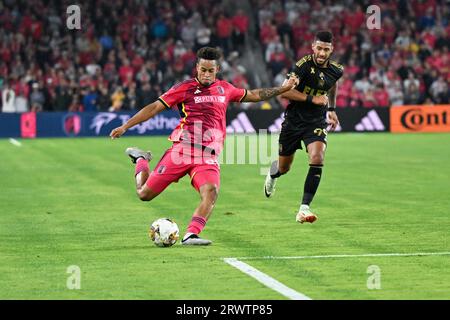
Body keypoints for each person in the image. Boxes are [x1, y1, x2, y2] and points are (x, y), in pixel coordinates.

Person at [110, 47, 298, 245]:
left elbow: (255, 94)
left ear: (217, 70)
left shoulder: (225, 88)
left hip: (208, 155)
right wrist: (125, 126)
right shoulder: (184, 88)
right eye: (203, 70)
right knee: (144, 194)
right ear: (196, 68)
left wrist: (283, 89)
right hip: (182, 150)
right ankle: (141, 160)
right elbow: (155, 107)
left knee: (211, 191)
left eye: (210, 70)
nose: (206, 74)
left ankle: (191, 234)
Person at [263, 30, 344, 224]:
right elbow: (284, 92)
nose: (322, 53)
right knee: (284, 167)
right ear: (313, 47)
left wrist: (331, 108)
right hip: (293, 121)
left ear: (331, 49)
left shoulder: (336, 69)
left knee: (317, 157)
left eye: (326, 49)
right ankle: (273, 174)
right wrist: (312, 98)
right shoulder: (302, 66)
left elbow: (332, 85)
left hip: (316, 121)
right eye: (319, 48)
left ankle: (304, 208)